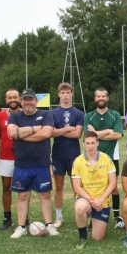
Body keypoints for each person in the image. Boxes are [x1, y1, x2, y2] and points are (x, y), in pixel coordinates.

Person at [7, 89, 58, 238]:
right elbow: (12, 133)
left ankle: (49, 225)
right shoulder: (15, 116)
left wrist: (21, 135)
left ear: (36, 101)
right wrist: (36, 129)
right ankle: (21, 226)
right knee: (23, 195)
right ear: (21, 102)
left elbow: (46, 133)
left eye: (31, 99)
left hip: (42, 163)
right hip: (22, 164)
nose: (28, 102)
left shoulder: (46, 114)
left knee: (45, 195)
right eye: (25, 100)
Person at [84, 88, 124, 227]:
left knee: (113, 188)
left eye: (103, 96)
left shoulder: (115, 115)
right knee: (94, 187)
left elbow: (118, 135)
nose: (101, 98)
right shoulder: (89, 116)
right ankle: (92, 216)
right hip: (93, 157)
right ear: (95, 99)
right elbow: (89, 137)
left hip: (112, 156)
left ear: (107, 98)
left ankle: (117, 216)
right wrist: (107, 131)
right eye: (98, 96)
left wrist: (96, 133)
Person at [71, 132, 117, 248]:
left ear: (97, 143)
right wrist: (93, 201)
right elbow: (76, 187)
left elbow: (112, 183)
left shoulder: (106, 159)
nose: (90, 146)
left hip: (103, 201)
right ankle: (82, 237)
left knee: (98, 238)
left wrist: (100, 200)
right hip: (86, 198)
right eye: (88, 143)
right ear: (84, 144)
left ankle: (92, 219)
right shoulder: (78, 161)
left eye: (93, 143)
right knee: (80, 208)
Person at [50, 82, 84, 228]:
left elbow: (77, 134)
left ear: (71, 94)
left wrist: (61, 130)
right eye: (62, 93)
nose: (65, 95)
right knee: (58, 186)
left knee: (76, 187)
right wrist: (68, 128)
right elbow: (51, 132)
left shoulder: (78, 113)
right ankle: (59, 216)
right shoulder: (52, 113)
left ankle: (79, 214)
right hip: (57, 154)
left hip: (73, 155)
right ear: (59, 94)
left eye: (67, 92)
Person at [0, 89, 21, 230]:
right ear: (6, 100)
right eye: (9, 97)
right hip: (6, 157)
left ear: (19, 99)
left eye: (15, 97)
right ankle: (7, 218)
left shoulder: (25, 114)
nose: (12, 99)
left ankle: (24, 218)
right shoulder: (0, 116)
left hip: (22, 157)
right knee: (6, 187)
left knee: (23, 189)